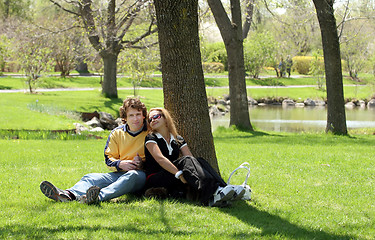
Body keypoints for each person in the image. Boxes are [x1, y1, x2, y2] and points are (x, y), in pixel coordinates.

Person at [40, 98, 148, 204]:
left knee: (132, 175)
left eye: (138, 114)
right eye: (131, 115)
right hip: (120, 172)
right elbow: (108, 158)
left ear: (143, 115)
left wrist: (142, 164)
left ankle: (95, 197)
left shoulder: (150, 132)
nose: (135, 119)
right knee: (91, 177)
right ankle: (68, 195)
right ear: (125, 117)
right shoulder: (117, 133)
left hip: (140, 175)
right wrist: (120, 164)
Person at [143, 108, 245, 207]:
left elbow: (191, 159)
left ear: (165, 118)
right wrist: (179, 174)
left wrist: (187, 172)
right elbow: (160, 159)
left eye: (156, 116)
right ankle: (213, 192)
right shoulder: (151, 138)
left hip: (172, 174)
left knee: (199, 161)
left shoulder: (177, 138)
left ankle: (225, 188)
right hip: (156, 177)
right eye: (150, 119)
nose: (153, 120)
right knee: (186, 161)